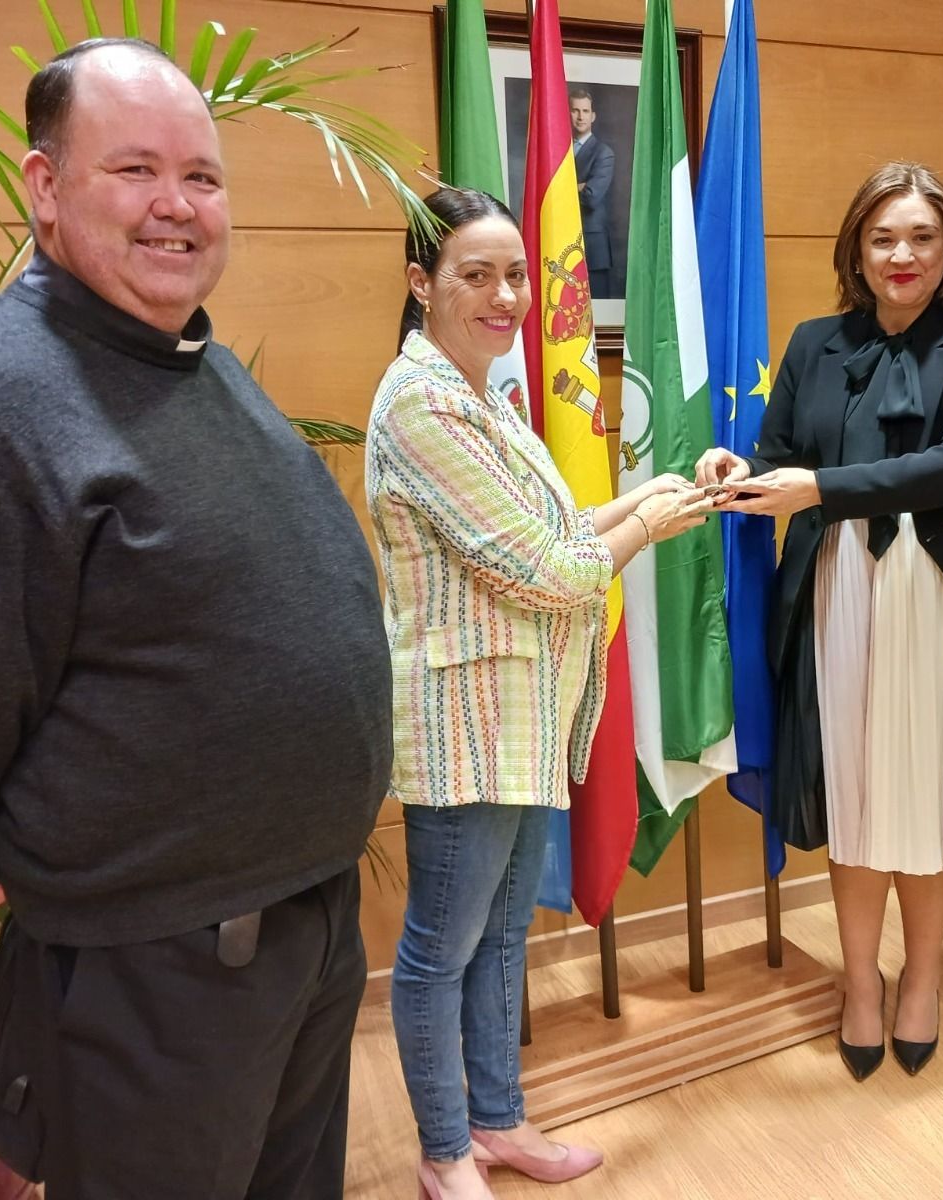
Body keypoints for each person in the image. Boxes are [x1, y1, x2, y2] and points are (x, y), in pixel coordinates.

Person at [0, 39, 392, 1198]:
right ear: (43, 186)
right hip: (150, 963)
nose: (177, 206)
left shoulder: (193, 361)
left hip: (302, 933)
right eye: (134, 170)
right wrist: (52, 855)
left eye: (203, 178)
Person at [367, 185, 712, 1200]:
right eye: (476, 274)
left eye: (516, 273)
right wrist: (650, 527)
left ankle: (498, 1122)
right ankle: (443, 1154)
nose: (506, 294)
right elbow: (552, 571)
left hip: (523, 720)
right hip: (465, 727)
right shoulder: (421, 398)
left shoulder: (484, 393)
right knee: (441, 949)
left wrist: (655, 492)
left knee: (502, 935)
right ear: (419, 283)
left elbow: (560, 532)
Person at [695, 161, 943, 1081]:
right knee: (852, 792)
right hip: (838, 586)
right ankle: (858, 982)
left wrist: (820, 488)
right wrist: (739, 468)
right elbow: (781, 457)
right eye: (884, 235)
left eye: (923, 236)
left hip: (941, 596)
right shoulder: (814, 341)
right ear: (856, 246)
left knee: (925, 795)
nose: (902, 254)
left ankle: (920, 980)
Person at [569, 87, 616, 298]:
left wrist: (566, 187)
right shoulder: (561, 150)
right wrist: (578, 185)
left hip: (592, 249)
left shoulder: (603, 153)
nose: (580, 116)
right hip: (564, 242)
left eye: (585, 111)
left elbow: (591, 197)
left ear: (593, 116)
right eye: (575, 110)